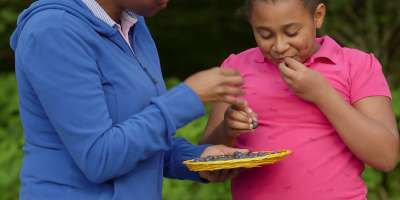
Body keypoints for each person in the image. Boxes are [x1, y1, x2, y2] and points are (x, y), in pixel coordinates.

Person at [10, 0, 249, 199]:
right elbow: (100, 157)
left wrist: (195, 158)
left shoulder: (133, 25)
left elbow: (136, 138)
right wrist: (189, 96)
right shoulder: (54, 31)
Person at [201, 0, 399, 199]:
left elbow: (386, 157)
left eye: (292, 32)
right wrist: (226, 129)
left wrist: (323, 95)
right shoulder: (235, 69)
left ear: (318, 16)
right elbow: (205, 160)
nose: (279, 46)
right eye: (265, 34)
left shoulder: (356, 65)